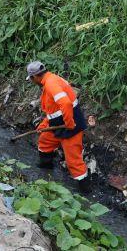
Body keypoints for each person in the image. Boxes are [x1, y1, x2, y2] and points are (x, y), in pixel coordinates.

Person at [27, 61, 91, 192]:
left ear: (35, 77)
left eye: (31, 79)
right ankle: (46, 169)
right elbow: (55, 109)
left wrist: (68, 123)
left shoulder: (51, 84)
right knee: (44, 142)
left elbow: (66, 104)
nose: (32, 82)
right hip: (58, 123)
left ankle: (85, 191)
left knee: (74, 161)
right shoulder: (50, 79)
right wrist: (45, 123)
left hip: (70, 125)